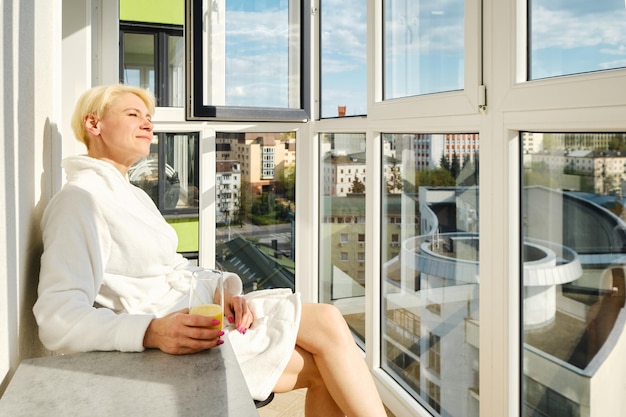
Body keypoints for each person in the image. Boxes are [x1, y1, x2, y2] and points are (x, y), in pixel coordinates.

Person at [33, 84, 387, 417]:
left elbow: (171, 266)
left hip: (197, 318)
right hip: (174, 336)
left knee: (327, 343)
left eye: (149, 118)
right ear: (93, 124)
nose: (147, 124)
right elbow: (57, 318)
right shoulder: (79, 202)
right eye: (132, 115)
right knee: (326, 339)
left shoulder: (132, 194)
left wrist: (223, 291)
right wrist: (152, 331)